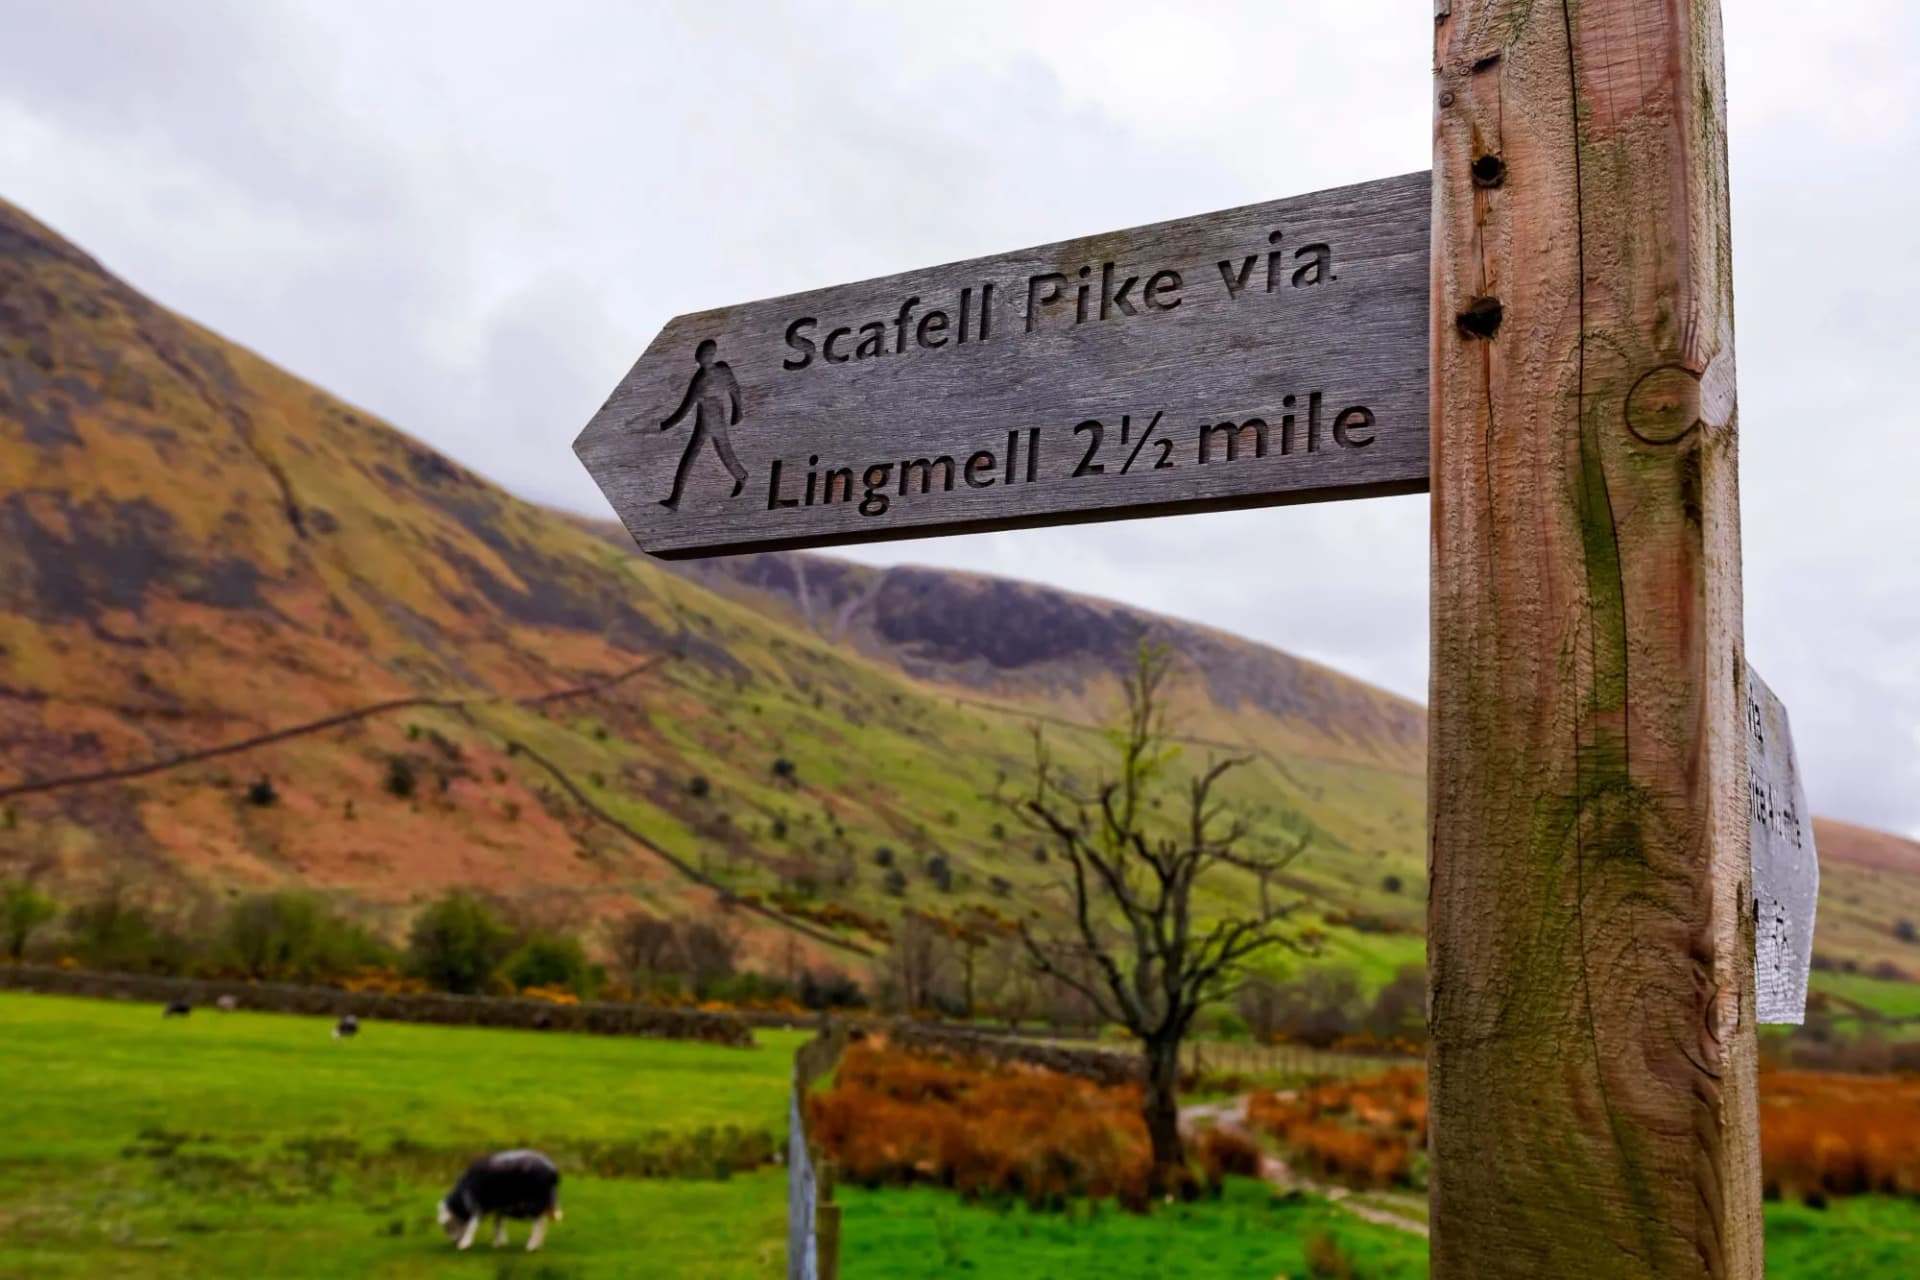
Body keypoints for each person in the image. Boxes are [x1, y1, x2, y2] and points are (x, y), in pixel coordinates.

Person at [648, 339, 746, 510]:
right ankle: (741, 477)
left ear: (711, 355)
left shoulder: (712, 375)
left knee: (704, 456)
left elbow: (734, 390)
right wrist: (667, 424)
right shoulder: (707, 375)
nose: (701, 358)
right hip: (707, 421)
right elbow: (689, 405)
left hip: (713, 422)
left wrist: (666, 425)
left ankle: (676, 499)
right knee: (720, 453)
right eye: (701, 355)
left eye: (705, 354)